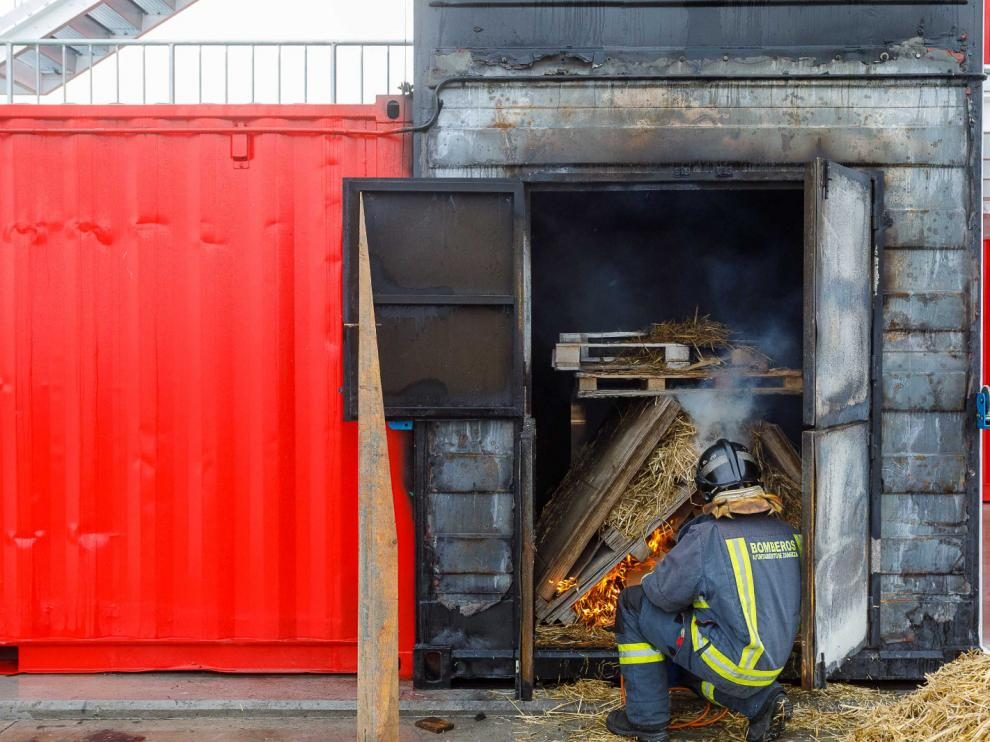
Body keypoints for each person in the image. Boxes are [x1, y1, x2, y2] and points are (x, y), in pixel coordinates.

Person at [606, 438, 801, 742]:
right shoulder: (788, 532)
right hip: (770, 666)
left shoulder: (708, 535)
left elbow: (662, 595)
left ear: (707, 490)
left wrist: (647, 577)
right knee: (691, 666)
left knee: (632, 604)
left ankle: (645, 721)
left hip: (731, 664)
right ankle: (761, 703)